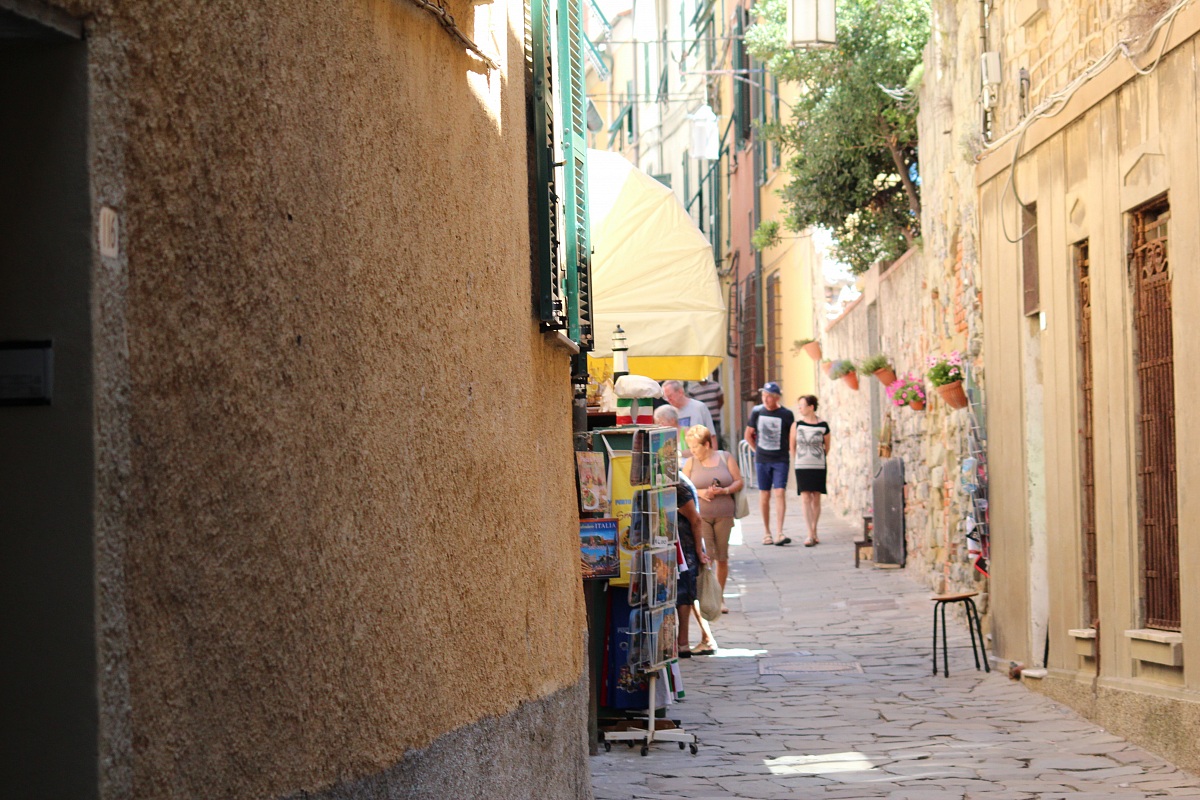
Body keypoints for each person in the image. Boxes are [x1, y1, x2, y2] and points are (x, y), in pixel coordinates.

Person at [683, 424, 743, 614]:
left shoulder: (725, 458)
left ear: (707, 444)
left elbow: (739, 481)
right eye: (690, 447)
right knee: (707, 556)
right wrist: (701, 492)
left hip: (724, 514)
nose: (692, 451)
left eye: (695, 447)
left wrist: (724, 490)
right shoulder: (691, 463)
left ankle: (720, 596)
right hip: (701, 517)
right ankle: (708, 598)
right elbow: (683, 488)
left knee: (722, 557)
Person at [744, 381, 795, 546]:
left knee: (780, 492)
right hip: (762, 460)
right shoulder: (757, 412)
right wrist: (756, 450)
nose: (765, 399)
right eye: (764, 395)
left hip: (780, 459)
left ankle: (780, 532)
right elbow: (748, 434)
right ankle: (767, 532)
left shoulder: (786, 414)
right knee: (764, 494)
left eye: (769, 396)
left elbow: (791, 436)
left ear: (777, 398)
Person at [674, 473, 713, 657]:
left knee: (685, 595)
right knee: (686, 594)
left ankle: (683, 642)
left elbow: (695, 519)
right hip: (682, 546)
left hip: (686, 548)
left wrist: (699, 550)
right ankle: (703, 638)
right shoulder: (679, 480)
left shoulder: (679, 485)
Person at [790, 394, 831, 547]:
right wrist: (798, 460)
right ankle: (809, 533)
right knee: (806, 497)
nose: (799, 409)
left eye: (802, 405)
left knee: (816, 497)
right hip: (802, 466)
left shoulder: (823, 425)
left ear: (811, 407)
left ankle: (814, 530)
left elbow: (827, 447)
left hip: (818, 465)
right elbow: (792, 446)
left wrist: (817, 457)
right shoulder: (797, 425)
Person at [686, 373, 725, 444]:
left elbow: (721, 400)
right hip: (701, 421)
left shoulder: (715, 386)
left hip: (714, 418)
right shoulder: (693, 390)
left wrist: (714, 411)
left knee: (716, 439)